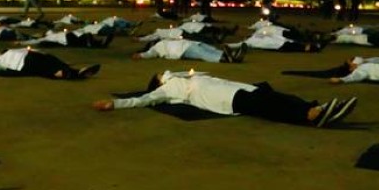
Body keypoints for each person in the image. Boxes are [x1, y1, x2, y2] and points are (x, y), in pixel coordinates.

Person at [93, 70, 357, 128]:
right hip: (226, 101)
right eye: (160, 74)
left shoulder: (186, 75)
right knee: (268, 107)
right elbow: (142, 100)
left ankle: (316, 108)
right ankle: (310, 117)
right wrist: (114, 103)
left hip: (238, 87)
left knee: (276, 96)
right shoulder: (166, 90)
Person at [0, 47, 99, 80]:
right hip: (27, 61)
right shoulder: (0, 60)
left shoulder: (7, 55)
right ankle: (73, 72)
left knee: (48, 63)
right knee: (46, 65)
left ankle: (73, 72)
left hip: (30, 59)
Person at [131, 38, 245, 63]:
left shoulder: (165, 40)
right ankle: (225, 59)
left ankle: (230, 55)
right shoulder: (156, 47)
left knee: (209, 49)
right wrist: (140, 55)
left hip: (189, 44)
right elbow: (149, 54)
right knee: (204, 54)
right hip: (183, 49)